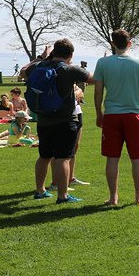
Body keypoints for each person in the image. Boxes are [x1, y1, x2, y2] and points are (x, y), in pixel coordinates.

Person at [21, 39, 93, 203]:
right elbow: (95, 79)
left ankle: (40, 191)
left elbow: (23, 71)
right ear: (71, 54)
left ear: (54, 52)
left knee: (44, 156)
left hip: (43, 119)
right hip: (65, 120)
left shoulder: (38, 67)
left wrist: (40, 57)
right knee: (63, 158)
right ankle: (63, 196)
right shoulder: (69, 69)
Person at [93, 29, 139, 206]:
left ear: (112, 44)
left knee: (112, 158)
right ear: (130, 43)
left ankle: (113, 197)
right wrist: (137, 95)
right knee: (137, 158)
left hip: (112, 114)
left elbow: (98, 92)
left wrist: (99, 114)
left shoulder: (103, 63)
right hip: (134, 114)